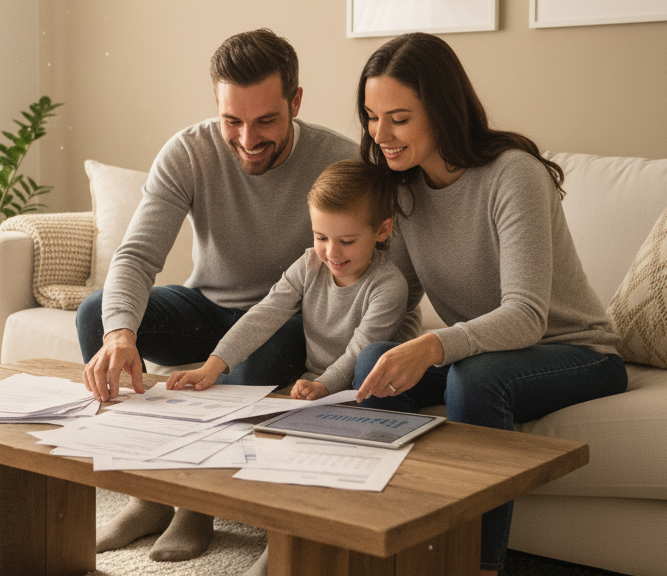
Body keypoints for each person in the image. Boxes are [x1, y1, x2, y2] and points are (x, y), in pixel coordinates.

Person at [75, 29, 356, 566]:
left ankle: (198, 503)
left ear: (295, 102)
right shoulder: (189, 151)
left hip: (283, 318)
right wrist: (119, 335)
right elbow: (135, 257)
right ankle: (151, 495)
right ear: (217, 106)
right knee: (97, 315)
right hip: (205, 308)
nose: (247, 138)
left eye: (266, 121)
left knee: (263, 347)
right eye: (233, 120)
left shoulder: (338, 161)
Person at [350, 32, 628, 576]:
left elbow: (525, 314)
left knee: (474, 379)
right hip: (486, 353)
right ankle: (392, 549)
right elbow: (401, 301)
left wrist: (432, 346)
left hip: (576, 352)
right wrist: (365, 356)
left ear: (443, 112)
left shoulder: (513, 174)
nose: (379, 134)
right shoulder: (402, 189)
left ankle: (476, 566)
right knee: (372, 364)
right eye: (371, 115)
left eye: (399, 118)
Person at [165, 160, 407, 404]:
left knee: (369, 372)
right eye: (321, 237)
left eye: (347, 241)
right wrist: (212, 365)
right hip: (315, 380)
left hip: (363, 384)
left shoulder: (388, 286)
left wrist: (322, 385)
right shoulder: (310, 264)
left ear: (382, 230)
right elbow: (265, 313)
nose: (331, 253)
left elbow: (359, 352)